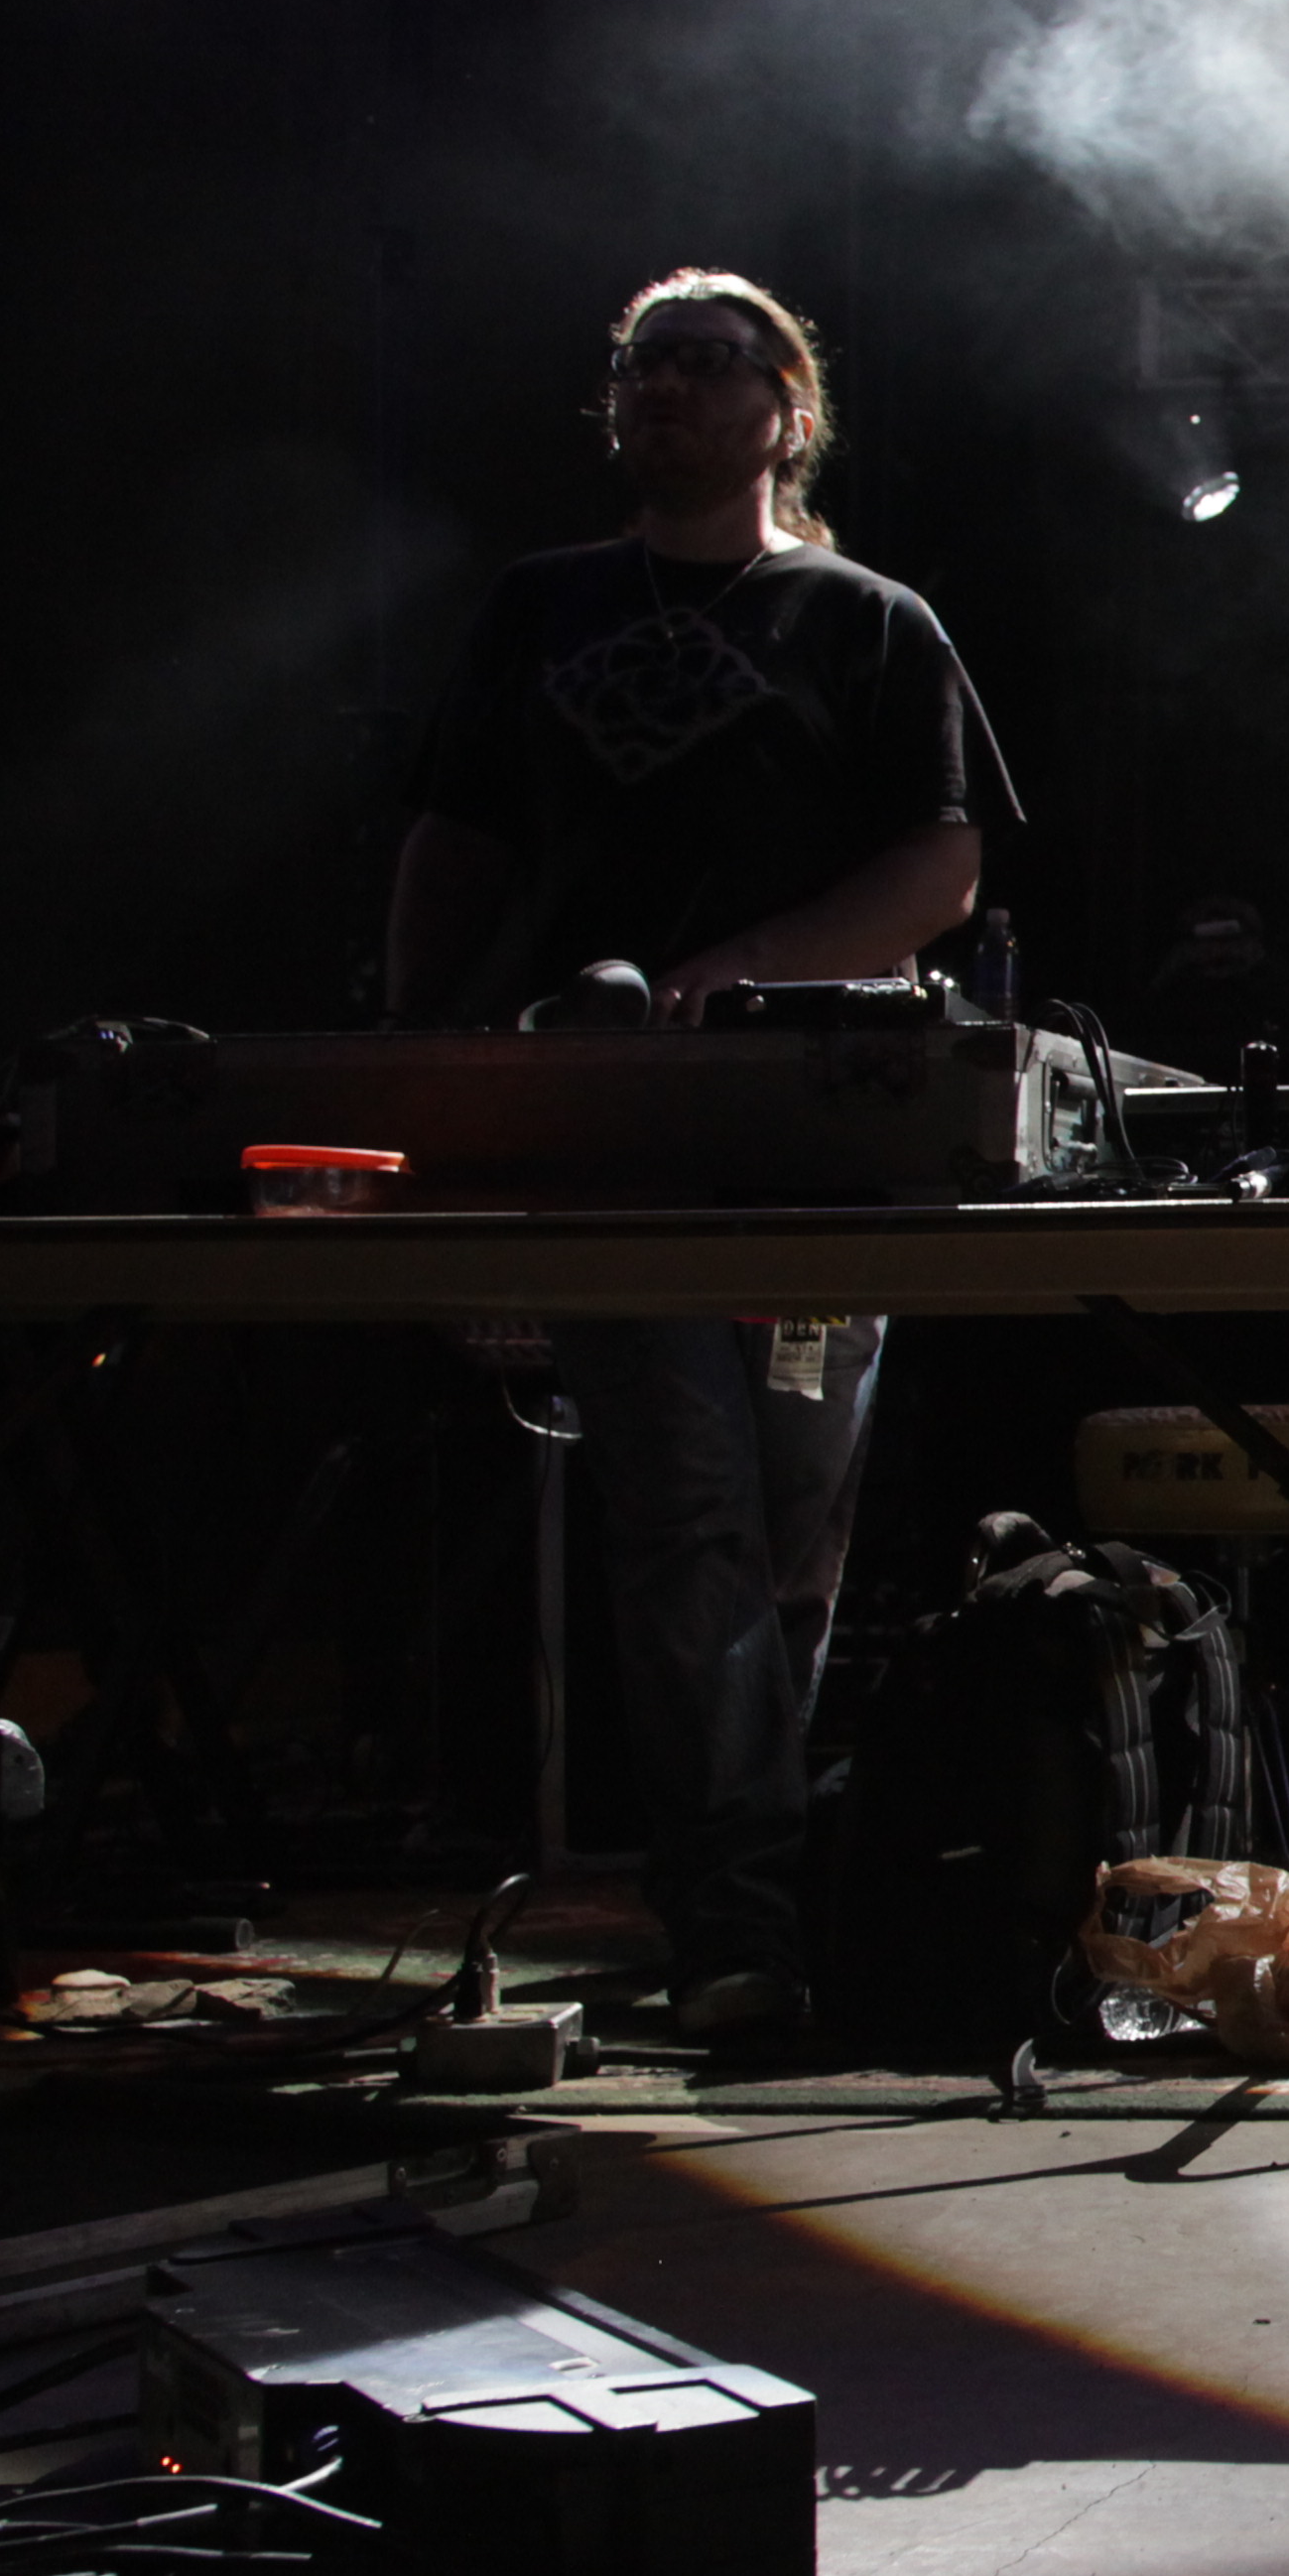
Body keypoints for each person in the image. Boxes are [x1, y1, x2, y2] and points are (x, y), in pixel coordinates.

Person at [383, 270, 1018, 2042]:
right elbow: (454, 835)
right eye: (640, 363)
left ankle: (761, 1888)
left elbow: (940, 869)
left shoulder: (867, 619)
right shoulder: (542, 605)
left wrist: (734, 972)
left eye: (703, 361)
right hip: (607, 1137)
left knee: (788, 1542)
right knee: (686, 1522)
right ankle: (738, 1917)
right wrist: (416, 1044)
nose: (661, 386)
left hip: (812, 1138)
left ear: (786, 410)